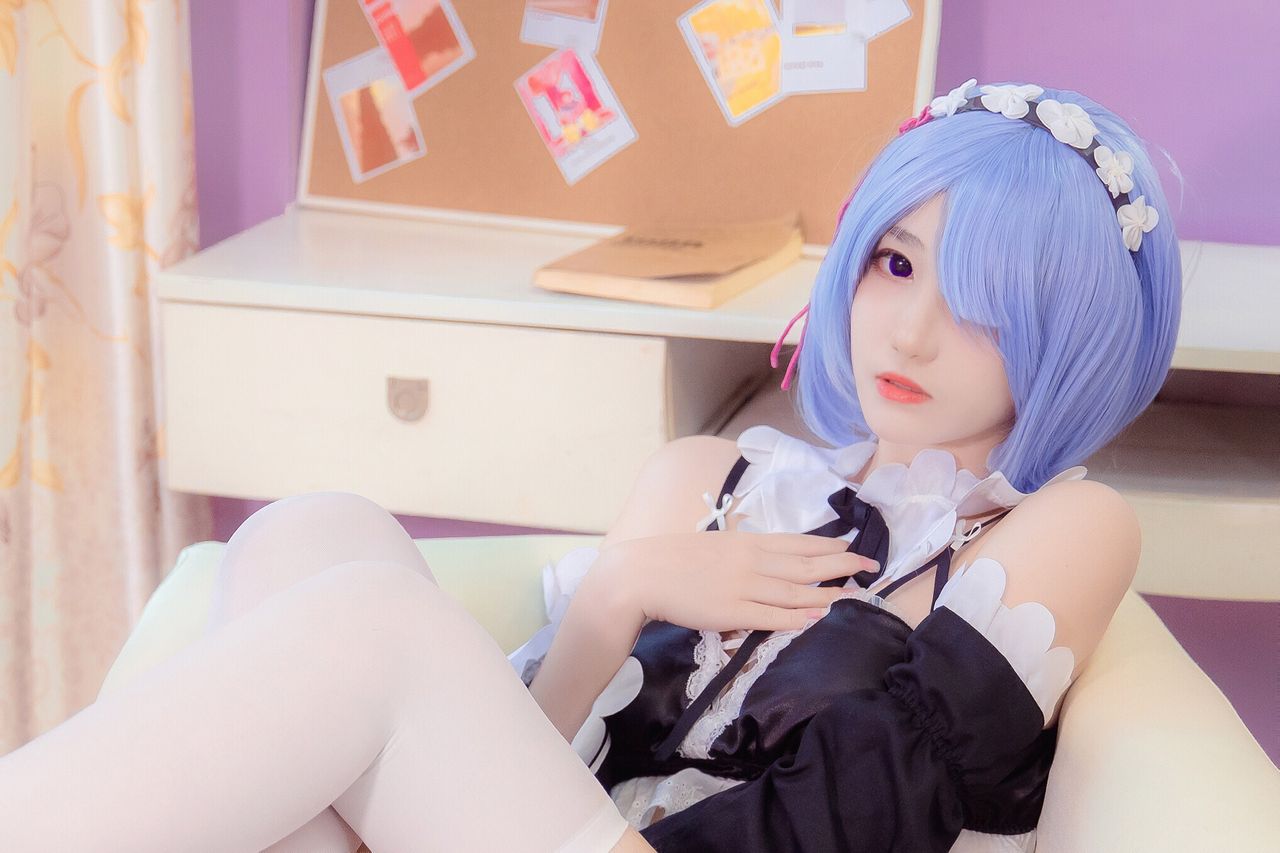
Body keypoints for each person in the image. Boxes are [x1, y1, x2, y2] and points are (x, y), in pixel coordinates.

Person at [0, 78, 1180, 852]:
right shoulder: (706, 479)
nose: (910, 332)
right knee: (311, 528)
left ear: (1067, 340)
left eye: (980, 304)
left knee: (371, 617)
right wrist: (618, 594)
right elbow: (498, 766)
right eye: (895, 264)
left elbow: (878, 809)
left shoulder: (1063, 528)